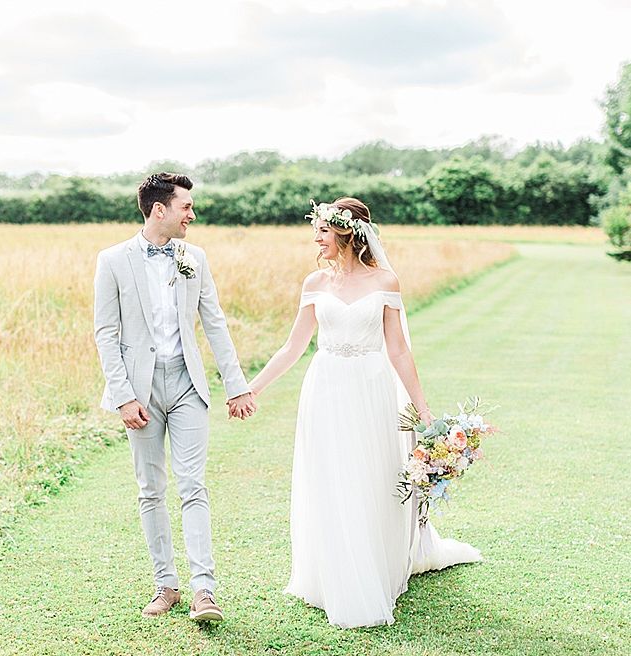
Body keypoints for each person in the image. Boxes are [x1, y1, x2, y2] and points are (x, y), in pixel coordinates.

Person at [249, 197, 481, 628]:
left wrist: (424, 411)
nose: (316, 237)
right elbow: (293, 347)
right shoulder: (315, 282)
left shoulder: (385, 282)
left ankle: (374, 566)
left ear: (346, 232)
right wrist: (251, 388)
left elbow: (398, 350)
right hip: (326, 388)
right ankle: (330, 572)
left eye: (322, 230)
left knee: (370, 476)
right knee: (331, 476)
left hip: (371, 388)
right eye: (315, 230)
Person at [93, 172, 256, 623]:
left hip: (188, 385)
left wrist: (236, 383)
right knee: (151, 490)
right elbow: (106, 334)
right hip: (140, 392)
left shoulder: (194, 257)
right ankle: (166, 585)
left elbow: (214, 322)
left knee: (193, 485)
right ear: (159, 210)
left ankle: (205, 590)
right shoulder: (112, 260)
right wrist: (124, 396)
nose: (193, 214)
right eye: (186, 206)